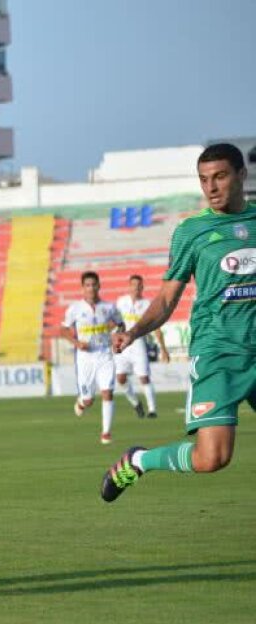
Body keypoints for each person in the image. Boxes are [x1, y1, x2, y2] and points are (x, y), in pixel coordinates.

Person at [101, 143, 256, 502]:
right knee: (211, 458)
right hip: (220, 352)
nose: (211, 187)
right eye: (204, 180)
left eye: (220, 176)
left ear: (241, 175)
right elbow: (167, 299)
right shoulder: (192, 233)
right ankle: (139, 461)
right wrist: (134, 331)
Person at [61, 271, 124, 445]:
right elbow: (63, 329)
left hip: (104, 354)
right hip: (85, 357)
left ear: (99, 286)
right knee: (89, 400)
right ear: (83, 288)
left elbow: (120, 324)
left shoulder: (109, 307)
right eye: (87, 285)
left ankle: (106, 433)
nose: (91, 288)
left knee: (107, 392)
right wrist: (76, 342)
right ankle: (82, 401)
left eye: (94, 284)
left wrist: (116, 337)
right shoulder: (75, 308)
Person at [114, 274, 169, 418]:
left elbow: (156, 327)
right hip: (122, 344)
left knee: (144, 377)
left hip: (138, 343)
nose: (136, 288)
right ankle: (135, 403)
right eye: (133, 285)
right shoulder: (121, 302)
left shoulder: (146, 304)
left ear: (142, 287)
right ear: (129, 286)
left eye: (139, 286)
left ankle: (152, 410)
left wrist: (163, 349)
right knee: (120, 378)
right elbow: (114, 322)